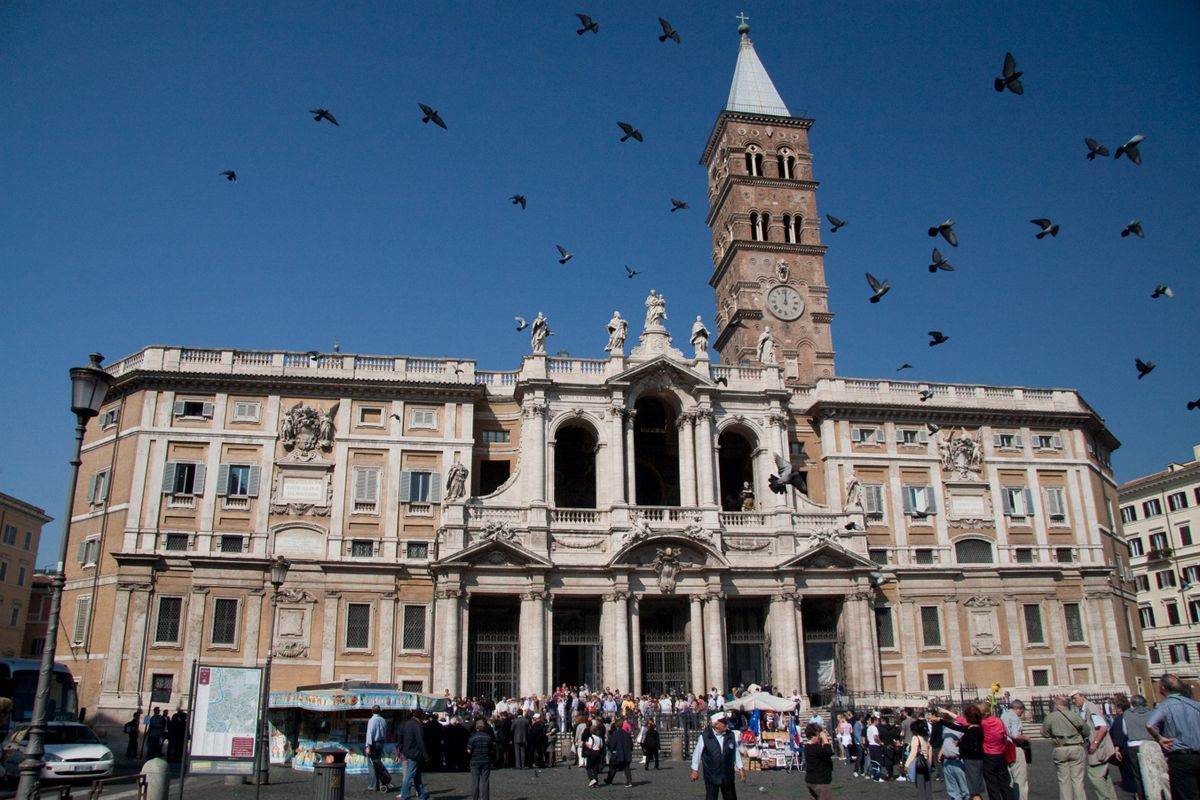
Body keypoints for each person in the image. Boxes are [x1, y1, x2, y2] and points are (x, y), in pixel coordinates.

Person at [1147, 673, 1200, 800]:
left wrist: (1160, 738)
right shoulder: (1195, 705)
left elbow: (1150, 724)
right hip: (1198, 753)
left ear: (1163, 688)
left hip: (1180, 757)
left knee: (1186, 794)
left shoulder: (1166, 705)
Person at [1041, 695, 1089, 800]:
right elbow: (1086, 730)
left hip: (1060, 747)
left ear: (1057, 705)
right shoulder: (1075, 715)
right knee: (1078, 780)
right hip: (1076, 746)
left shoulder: (1051, 717)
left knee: (1063, 780)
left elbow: (1044, 733)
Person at [1073, 690, 1117, 800]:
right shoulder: (1082, 709)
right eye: (1072, 699)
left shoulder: (1090, 708)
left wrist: (1095, 743)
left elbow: (1103, 727)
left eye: (1075, 698)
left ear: (1083, 696)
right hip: (1095, 748)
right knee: (1104, 777)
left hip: (1098, 749)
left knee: (1095, 776)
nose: (1074, 701)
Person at [691, 713, 746, 800]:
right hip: (711, 774)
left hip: (727, 774)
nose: (726, 723)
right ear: (716, 725)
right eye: (723, 722)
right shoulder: (705, 736)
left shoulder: (730, 735)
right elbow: (697, 753)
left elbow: (735, 752)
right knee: (711, 797)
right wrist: (695, 770)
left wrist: (740, 768)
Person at [399, 708, 430, 800]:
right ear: (421, 716)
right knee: (410, 775)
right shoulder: (418, 726)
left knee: (417, 775)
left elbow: (400, 737)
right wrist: (426, 756)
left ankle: (422, 795)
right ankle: (405, 796)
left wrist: (400, 749)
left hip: (406, 751)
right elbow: (421, 741)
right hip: (415, 753)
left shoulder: (406, 723)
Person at [1002, 699, 1030, 800]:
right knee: (1020, 779)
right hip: (1015, 748)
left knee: (1010, 779)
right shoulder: (1014, 717)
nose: (1022, 713)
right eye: (1022, 711)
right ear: (1018, 708)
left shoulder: (1003, 715)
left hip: (1005, 748)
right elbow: (1015, 735)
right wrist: (1026, 738)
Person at [939, 708, 968, 800]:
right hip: (947, 760)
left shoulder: (961, 727)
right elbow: (946, 740)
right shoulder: (946, 727)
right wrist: (941, 751)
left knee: (965, 789)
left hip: (958, 759)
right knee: (952, 790)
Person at [905, 719, 934, 800]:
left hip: (920, 763)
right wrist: (930, 763)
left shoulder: (916, 738)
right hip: (927, 761)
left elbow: (913, 753)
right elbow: (930, 751)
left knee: (920, 786)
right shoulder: (926, 737)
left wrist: (906, 765)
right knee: (928, 785)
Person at [804, 723, 834, 800]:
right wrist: (825, 739)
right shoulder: (814, 747)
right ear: (812, 736)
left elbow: (823, 752)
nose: (819, 738)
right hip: (820, 782)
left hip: (811, 780)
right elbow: (828, 752)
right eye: (818, 736)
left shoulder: (808, 747)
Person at [366, 705, 392, 793]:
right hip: (381, 743)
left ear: (371, 711)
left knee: (372, 764)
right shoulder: (383, 720)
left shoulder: (372, 720)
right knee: (378, 763)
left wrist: (368, 746)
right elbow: (385, 733)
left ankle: (373, 785)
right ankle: (381, 782)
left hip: (373, 743)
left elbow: (370, 733)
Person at [467, 719, 495, 800]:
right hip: (486, 761)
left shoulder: (472, 737)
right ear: (484, 727)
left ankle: (475, 798)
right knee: (485, 782)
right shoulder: (488, 737)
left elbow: (468, 751)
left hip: (474, 761)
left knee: (475, 782)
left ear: (476, 727)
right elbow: (492, 750)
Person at [605, 716, 634, 787]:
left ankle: (609, 781)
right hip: (626, 753)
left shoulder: (615, 734)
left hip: (618, 754)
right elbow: (631, 744)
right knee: (627, 768)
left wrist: (612, 750)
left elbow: (612, 744)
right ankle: (629, 782)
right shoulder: (627, 734)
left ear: (616, 725)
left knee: (613, 768)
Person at [583, 720, 605, 787]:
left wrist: (585, 743)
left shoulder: (591, 737)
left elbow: (589, 746)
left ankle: (592, 779)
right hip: (598, 753)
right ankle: (596, 782)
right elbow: (601, 746)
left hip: (592, 753)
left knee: (588, 767)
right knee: (595, 768)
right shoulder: (600, 738)